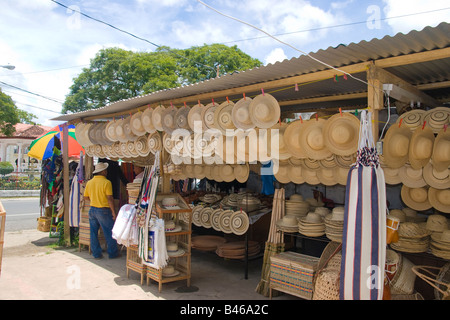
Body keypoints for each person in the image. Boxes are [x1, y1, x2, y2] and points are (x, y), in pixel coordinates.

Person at [84, 162, 119, 259]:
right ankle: (112, 253)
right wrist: (113, 212)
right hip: (103, 210)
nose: (106, 172)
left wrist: (94, 199)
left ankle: (96, 254)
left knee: (93, 233)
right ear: (103, 171)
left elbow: (85, 197)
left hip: (92, 209)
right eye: (105, 170)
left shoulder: (89, 182)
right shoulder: (107, 182)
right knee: (109, 232)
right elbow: (109, 198)